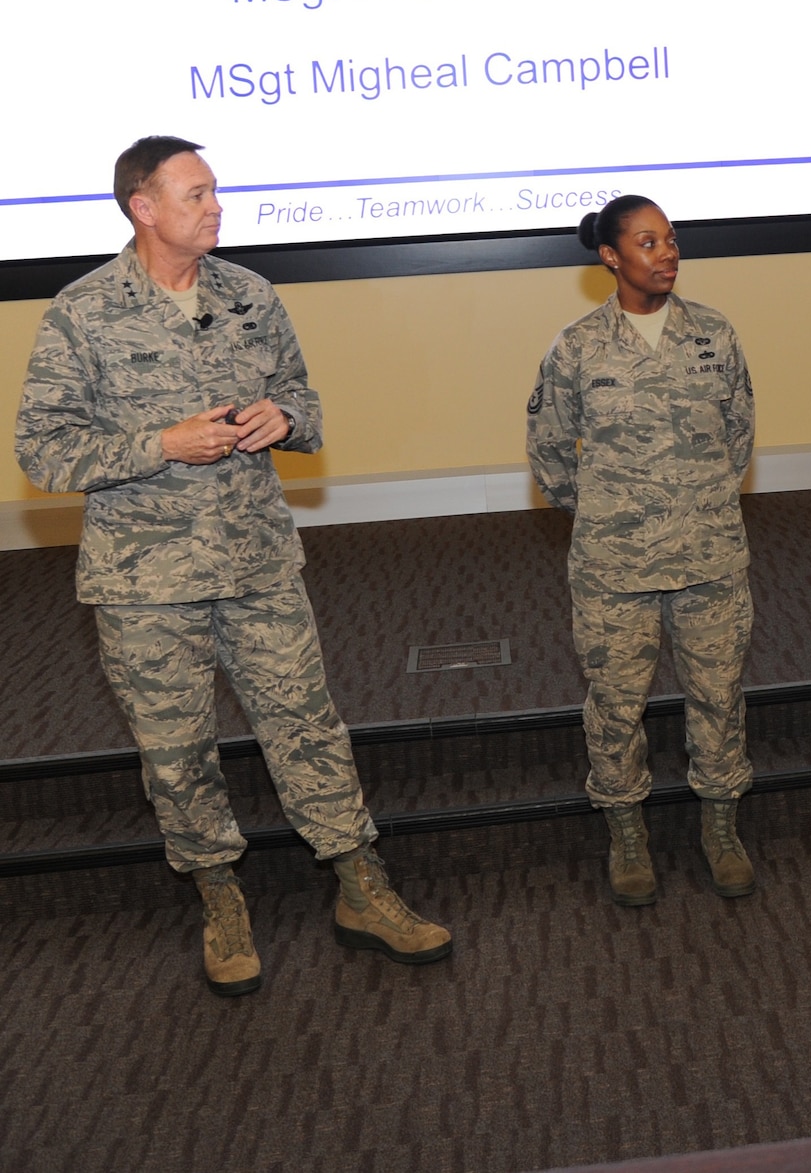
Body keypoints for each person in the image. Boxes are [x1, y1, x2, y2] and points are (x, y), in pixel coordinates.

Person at [14, 137, 451, 996]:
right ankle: (220, 896)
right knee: (175, 753)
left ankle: (361, 886)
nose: (216, 205)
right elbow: (42, 450)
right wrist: (161, 443)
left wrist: (282, 418)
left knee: (309, 728)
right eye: (197, 193)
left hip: (255, 561)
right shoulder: (80, 312)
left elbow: (309, 402)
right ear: (143, 207)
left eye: (215, 191)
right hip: (145, 583)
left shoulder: (251, 296)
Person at [528, 196, 758, 904]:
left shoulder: (714, 335)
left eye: (671, 239)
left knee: (718, 696)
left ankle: (720, 825)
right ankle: (626, 831)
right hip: (614, 567)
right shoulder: (576, 347)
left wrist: (697, 504)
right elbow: (549, 457)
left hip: (710, 557)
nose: (666, 252)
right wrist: (609, 514)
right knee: (617, 705)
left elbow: (739, 435)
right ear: (610, 256)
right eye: (648, 241)